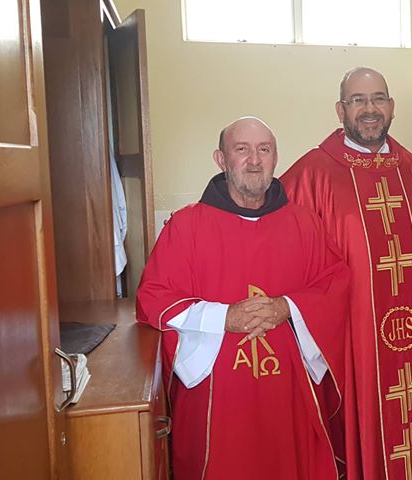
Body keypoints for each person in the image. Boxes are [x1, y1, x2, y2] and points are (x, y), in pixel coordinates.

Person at [136, 117, 350, 479]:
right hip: (217, 398)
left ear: (275, 158)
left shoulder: (305, 224)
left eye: (264, 150)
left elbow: (334, 282)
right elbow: (154, 298)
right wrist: (225, 317)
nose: (254, 160)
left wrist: (287, 307)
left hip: (289, 394)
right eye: (242, 149)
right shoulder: (186, 227)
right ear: (221, 159)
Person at [281, 67, 412, 480]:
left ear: (391, 107)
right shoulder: (313, 172)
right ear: (340, 110)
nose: (369, 109)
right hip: (351, 338)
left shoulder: (408, 165)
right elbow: (277, 245)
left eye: (377, 99)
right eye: (357, 100)